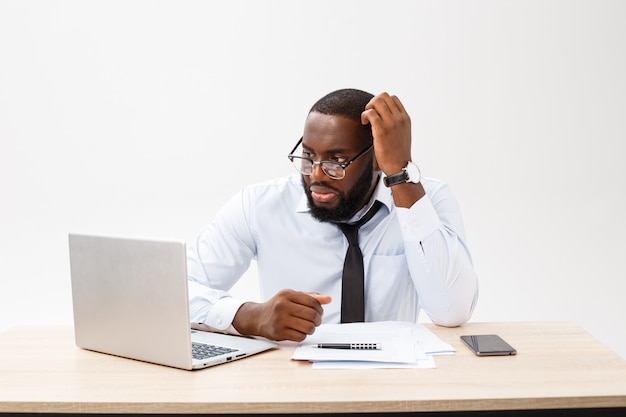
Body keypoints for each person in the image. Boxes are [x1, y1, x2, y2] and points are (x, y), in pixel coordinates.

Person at [187, 88, 478, 342]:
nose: (316, 175)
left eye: (336, 161)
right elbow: (175, 294)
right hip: (292, 383)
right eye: (308, 156)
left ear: (378, 158)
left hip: (392, 383)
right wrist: (252, 316)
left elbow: (452, 309)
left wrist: (401, 174)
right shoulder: (259, 205)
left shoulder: (425, 200)